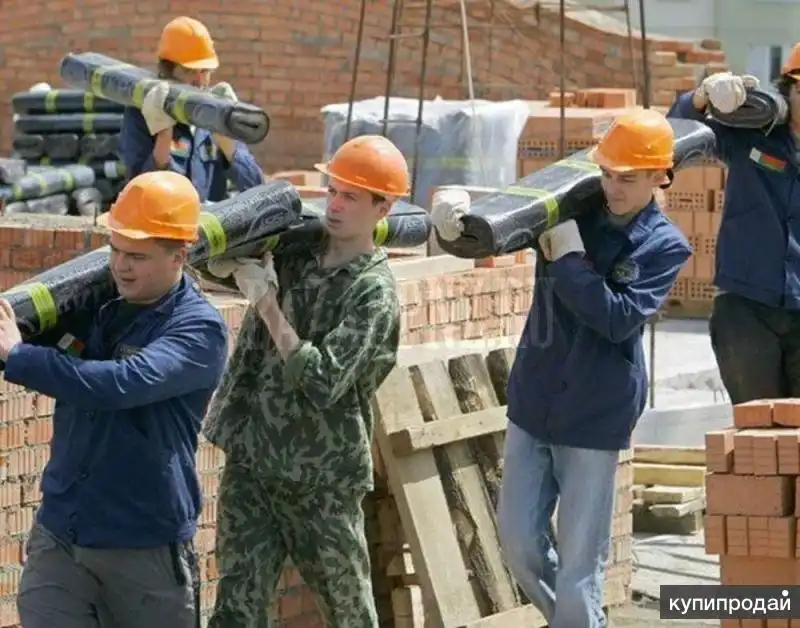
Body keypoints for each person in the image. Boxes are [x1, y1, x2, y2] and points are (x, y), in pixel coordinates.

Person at [432, 108, 692, 628]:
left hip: (594, 415)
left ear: (660, 175)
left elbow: (616, 318)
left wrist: (571, 261)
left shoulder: (664, 246)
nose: (613, 188)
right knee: (519, 543)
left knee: (579, 566)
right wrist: (455, 216)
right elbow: (509, 218)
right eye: (608, 174)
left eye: (628, 178)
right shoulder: (574, 208)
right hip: (535, 399)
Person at [0, 171, 229, 627]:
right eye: (116, 251)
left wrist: (15, 355)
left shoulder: (198, 329)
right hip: (63, 531)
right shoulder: (100, 306)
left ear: (179, 256)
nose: (121, 266)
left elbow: (117, 385)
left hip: (142, 544)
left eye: (137, 256)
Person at [201, 134, 406, 628]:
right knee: (236, 612)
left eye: (351, 196)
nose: (334, 205)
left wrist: (268, 305)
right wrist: (222, 253)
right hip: (254, 462)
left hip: (321, 479)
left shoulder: (372, 293)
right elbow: (205, 253)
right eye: (332, 190)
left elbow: (321, 380)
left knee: (348, 612)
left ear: (383, 207)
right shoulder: (296, 251)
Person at [668, 47, 800, 404]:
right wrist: (700, 96)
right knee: (755, 428)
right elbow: (677, 138)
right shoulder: (752, 136)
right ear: (788, 91)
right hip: (746, 307)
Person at [118, 16, 264, 202]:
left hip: (208, 227)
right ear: (168, 71)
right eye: (189, 71)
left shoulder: (215, 115)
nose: (199, 80)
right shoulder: (140, 114)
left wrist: (229, 145)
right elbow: (139, 194)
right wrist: (164, 137)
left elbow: (257, 187)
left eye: (204, 71)